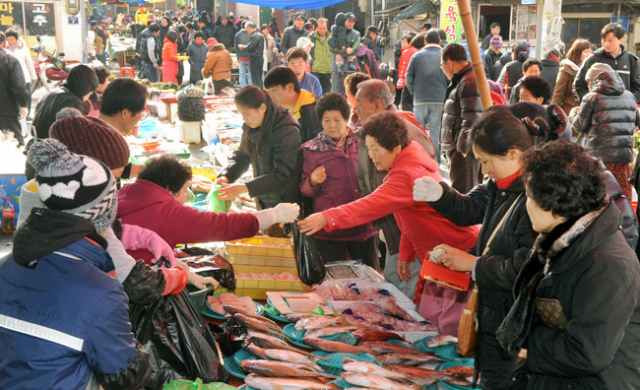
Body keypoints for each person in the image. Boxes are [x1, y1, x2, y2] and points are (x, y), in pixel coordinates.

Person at [0, 138, 161, 390]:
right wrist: (137, 350)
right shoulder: (102, 291)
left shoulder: (6, 265)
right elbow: (124, 375)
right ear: (103, 217)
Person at [299, 112, 479, 334]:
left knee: (450, 326)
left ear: (394, 148)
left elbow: (370, 205)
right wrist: (405, 253)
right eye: (368, 147)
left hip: (455, 252)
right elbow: (411, 215)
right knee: (432, 318)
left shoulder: (406, 173)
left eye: (375, 148)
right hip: (437, 254)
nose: (371, 155)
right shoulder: (410, 157)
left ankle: (458, 365)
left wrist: (326, 217)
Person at [413, 108, 549, 389]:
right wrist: (441, 194)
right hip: (492, 312)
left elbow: (527, 266)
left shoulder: (536, 196)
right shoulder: (498, 184)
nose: (483, 170)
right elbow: (469, 209)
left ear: (513, 153)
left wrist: (473, 264)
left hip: (514, 320)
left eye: (486, 161)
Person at [496, 140, 640, 390]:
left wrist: (526, 340)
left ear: (552, 204)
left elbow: (587, 353)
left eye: (528, 196)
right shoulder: (563, 237)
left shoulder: (608, 264)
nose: (525, 205)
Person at [117, 154, 298, 262]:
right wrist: (275, 214)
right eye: (184, 189)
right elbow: (222, 225)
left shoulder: (122, 193)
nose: (187, 196)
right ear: (168, 189)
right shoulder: (166, 213)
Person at [352, 79, 435, 297]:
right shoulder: (370, 131)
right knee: (394, 292)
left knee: (405, 299)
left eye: (359, 104)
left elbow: (420, 185)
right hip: (390, 233)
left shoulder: (404, 132)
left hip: (409, 236)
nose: (356, 109)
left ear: (377, 105)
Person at [300, 93, 379, 269]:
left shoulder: (364, 140)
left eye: (337, 119)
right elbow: (305, 190)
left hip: (363, 226)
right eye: (326, 120)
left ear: (346, 118)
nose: (332, 125)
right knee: (334, 286)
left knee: (371, 282)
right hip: (329, 231)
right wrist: (312, 181)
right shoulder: (312, 150)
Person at [213, 87, 303, 217]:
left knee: (279, 237)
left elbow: (282, 175)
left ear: (262, 108)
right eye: (241, 114)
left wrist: (245, 188)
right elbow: (242, 156)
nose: (244, 118)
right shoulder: (252, 125)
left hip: (285, 202)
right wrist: (226, 175)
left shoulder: (286, 131)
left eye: (247, 114)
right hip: (264, 197)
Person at [572, 68, 639, 199]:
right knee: (621, 199)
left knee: (597, 198)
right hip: (623, 159)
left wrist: (574, 113)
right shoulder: (630, 96)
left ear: (592, 83)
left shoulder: (591, 98)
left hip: (598, 160)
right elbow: (636, 121)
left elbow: (579, 126)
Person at [440, 43, 483, 194]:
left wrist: (463, 149)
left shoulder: (468, 80)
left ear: (449, 63)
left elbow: (471, 116)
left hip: (464, 148)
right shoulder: (465, 78)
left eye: (442, 64)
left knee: (463, 195)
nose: (443, 69)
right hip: (461, 146)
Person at [406, 29, 447, 164]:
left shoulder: (417, 56)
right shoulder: (444, 56)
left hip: (420, 99)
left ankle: (419, 161)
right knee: (435, 132)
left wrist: (414, 92)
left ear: (425, 41)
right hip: (439, 99)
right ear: (440, 41)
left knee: (419, 133)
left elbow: (408, 77)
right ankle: (436, 163)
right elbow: (450, 78)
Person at [574, 23, 640, 104]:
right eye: (604, 40)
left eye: (610, 40)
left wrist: (630, 103)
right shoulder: (593, 59)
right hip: (600, 113)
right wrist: (590, 104)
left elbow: (637, 86)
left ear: (620, 40)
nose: (606, 44)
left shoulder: (631, 60)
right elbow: (578, 86)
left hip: (624, 112)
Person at [32, 65, 98, 140]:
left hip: (38, 143)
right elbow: (73, 137)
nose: (88, 98)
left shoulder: (53, 92)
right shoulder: (73, 102)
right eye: (90, 93)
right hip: (53, 148)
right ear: (85, 88)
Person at [264, 66, 323, 145]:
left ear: (290, 87)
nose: (270, 96)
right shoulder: (282, 108)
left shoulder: (311, 112)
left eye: (273, 90)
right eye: (268, 92)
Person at [0, 31, 28, 147]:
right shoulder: (10, 61)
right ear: (4, 43)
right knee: (15, 142)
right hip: (7, 108)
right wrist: (23, 104)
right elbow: (19, 86)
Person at [551, 39, 592, 118]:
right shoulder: (566, 70)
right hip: (570, 114)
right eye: (586, 52)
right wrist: (552, 115)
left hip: (585, 114)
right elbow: (558, 94)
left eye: (590, 52)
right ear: (577, 52)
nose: (589, 55)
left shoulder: (589, 70)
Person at [5, 29, 36, 118]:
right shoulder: (5, 50)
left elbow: (29, 63)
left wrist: (33, 75)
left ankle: (28, 113)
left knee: (27, 95)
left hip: (25, 77)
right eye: (8, 39)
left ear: (17, 39)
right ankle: (17, 113)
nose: (10, 42)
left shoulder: (23, 49)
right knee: (14, 96)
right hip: (12, 78)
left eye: (12, 39)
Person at [328, 12, 360, 93]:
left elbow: (355, 50)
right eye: (349, 21)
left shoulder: (356, 34)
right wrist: (346, 51)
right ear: (344, 21)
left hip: (350, 70)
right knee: (336, 95)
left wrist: (339, 52)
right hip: (337, 69)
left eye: (353, 22)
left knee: (351, 95)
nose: (351, 24)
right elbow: (330, 47)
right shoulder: (335, 31)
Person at [397, 34, 423, 112]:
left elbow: (405, 66)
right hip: (416, 80)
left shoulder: (408, 51)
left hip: (407, 80)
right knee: (411, 101)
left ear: (410, 43)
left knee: (405, 101)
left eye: (405, 41)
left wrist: (401, 78)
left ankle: (411, 118)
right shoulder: (416, 51)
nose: (402, 43)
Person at [310, 18, 332, 95]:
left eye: (324, 28)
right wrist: (311, 61)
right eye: (320, 28)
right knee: (315, 94)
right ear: (316, 27)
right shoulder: (311, 37)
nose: (322, 30)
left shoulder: (331, 38)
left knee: (326, 94)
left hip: (327, 70)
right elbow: (306, 51)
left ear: (327, 27)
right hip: (315, 70)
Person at [245, 22, 264, 88]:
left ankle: (257, 94)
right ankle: (261, 92)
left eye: (247, 30)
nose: (247, 32)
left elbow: (250, 47)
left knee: (255, 78)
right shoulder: (260, 34)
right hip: (260, 58)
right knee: (259, 77)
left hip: (255, 58)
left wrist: (243, 47)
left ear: (249, 28)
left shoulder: (255, 35)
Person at [235, 22, 252, 88]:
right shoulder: (251, 34)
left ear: (241, 26)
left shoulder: (237, 35)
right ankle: (251, 88)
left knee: (242, 74)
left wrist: (238, 56)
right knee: (250, 74)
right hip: (250, 57)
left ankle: (243, 88)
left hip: (241, 58)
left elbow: (236, 47)